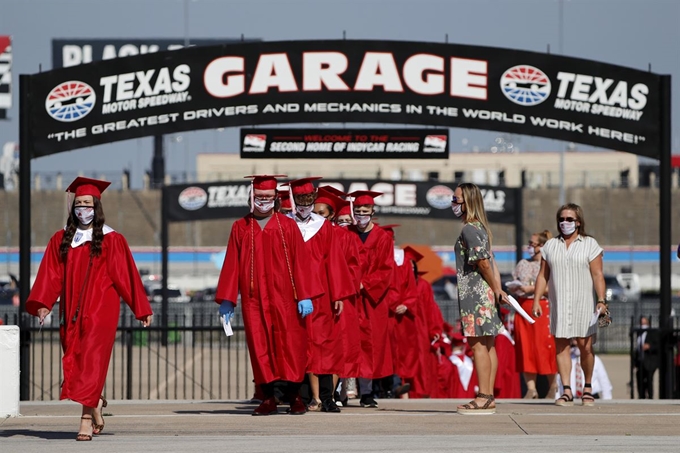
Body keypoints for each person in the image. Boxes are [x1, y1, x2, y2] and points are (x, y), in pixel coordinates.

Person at [26, 177, 153, 441]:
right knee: (76, 361)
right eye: (79, 203)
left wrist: (141, 309)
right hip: (70, 311)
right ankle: (94, 404)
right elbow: (51, 275)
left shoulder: (113, 240)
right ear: (73, 207)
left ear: (97, 205)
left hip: (101, 311)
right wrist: (43, 304)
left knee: (92, 362)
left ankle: (84, 420)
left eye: (88, 203)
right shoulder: (61, 239)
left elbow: (126, 276)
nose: (83, 208)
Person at [215, 175, 322, 416]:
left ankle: (295, 396)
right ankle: (268, 398)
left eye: (268, 197)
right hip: (255, 300)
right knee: (260, 347)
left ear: (276, 199)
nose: (264, 201)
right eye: (259, 197)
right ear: (251, 198)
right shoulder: (240, 227)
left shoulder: (287, 225)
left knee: (291, 346)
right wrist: (228, 298)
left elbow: (301, 263)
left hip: (287, 298)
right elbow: (231, 263)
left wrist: (305, 295)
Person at [284, 177, 353, 413]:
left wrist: (338, 295)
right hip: (291, 294)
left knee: (325, 346)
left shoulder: (323, 226)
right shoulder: (283, 225)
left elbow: (334, 261)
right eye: (301, 199)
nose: (305, 204)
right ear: (293, 200)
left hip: (321, 295)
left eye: (309, 199)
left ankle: (327, 397)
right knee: (296, 346)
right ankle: (299, 398)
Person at [533, 203, 607, 407]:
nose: (564, 222)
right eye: (561, 219)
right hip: (560, 303)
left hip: (584, 303)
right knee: (561, 346)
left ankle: (588, 387)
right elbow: (542, 275)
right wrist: (537, 300)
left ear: (578, 222)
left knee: (585, 347)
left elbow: (598, 274)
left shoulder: (590, 244)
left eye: (569, 219)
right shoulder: (550, 246)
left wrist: (601, 300)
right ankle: (566, 390)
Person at [452, 183, 508, 415]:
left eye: (456, 200)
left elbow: (483, 263)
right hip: (484, 293)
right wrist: (497, 289)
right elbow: (490, 261)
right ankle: (488, 395)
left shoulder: (469, 229)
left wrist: (496, 289)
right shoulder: (480, 228)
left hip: (475, 295)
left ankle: (483, 395)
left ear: (468, 202)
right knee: (488, 345)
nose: (453, 204)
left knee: (477, 346)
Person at [347, 190, 394, 408]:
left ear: (373, 212)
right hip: (348, 298)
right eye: (357, 211)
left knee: (370, 346)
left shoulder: (383, 238)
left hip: (371, 301)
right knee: (347, 344)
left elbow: (386, 269)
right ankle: (343, 392)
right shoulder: (346, 234)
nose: (361, 215)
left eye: (365, 211)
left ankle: (366, 392)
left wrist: (365, 283)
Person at [508, 230, 557, 399]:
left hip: (543, 308)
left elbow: (555, 288)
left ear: (542, 246)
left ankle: (553, 386)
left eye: (533, 244)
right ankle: (531, 388)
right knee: (525, 347)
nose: (529, 247)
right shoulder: (523, 263)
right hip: (523, 307)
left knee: (545, 346)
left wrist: (533, 289)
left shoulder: (550, 264)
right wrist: (515, 288)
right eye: (529, 243)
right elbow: (514, 282)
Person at [635, 316, 660, 399]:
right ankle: (641, 396)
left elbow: (658, 345)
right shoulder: (639, 333)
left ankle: (650, 396)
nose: (643, 325)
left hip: (650, 361)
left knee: (649, 379)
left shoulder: (652, 332)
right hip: (641, 361)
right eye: (641, 323)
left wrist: (649, 346)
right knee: (640, 377)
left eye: (644, 323)